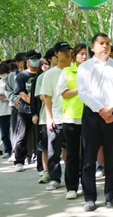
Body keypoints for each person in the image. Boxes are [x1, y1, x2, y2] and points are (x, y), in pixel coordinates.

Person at [77, 33, 113, 211]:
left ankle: (111, 195)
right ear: (92, 47)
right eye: (101, 43)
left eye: (107, 43)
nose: (105, 46)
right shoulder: (85, 67)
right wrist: (101, 109)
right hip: (92, 115)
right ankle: (90, 197)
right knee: (89, 157)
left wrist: (110, 109)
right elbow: (83, 92)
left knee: (112, 156)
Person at [56, 43, 88, 200]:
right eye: (81, 53)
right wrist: (80, 88)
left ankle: (87, 185)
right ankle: (72, 187)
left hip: (89, 117)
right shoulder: (67, 72)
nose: (84, 56)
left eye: (86, 54)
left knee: (88, 154)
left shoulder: (92, 71)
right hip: (71, 118)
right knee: (73, 154)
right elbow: (64, 93)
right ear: (74, 56)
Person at [40, 41, 73, 191]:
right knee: (54, 150)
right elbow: (47, 97)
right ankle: (54, 178)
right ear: (56, 54)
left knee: (73, 151)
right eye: (63, 51)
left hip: (73, 117)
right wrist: (49, 117)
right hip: (57, 116)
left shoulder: (76, 71)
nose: (67, 53)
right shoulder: (50, 74)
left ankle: (72, 178)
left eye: (69, 50)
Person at [13, 50, 41, 171]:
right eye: (33, 59)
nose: (35, 61)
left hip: (41, 110)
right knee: (22, 136)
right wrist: (33, 104)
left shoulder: (42, 75)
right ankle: (19, 161)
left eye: (37, 58)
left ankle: (41, 161)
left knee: (41, 136)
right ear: (27, 61)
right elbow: (22, 94)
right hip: (25, 111)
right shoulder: (21, 76)